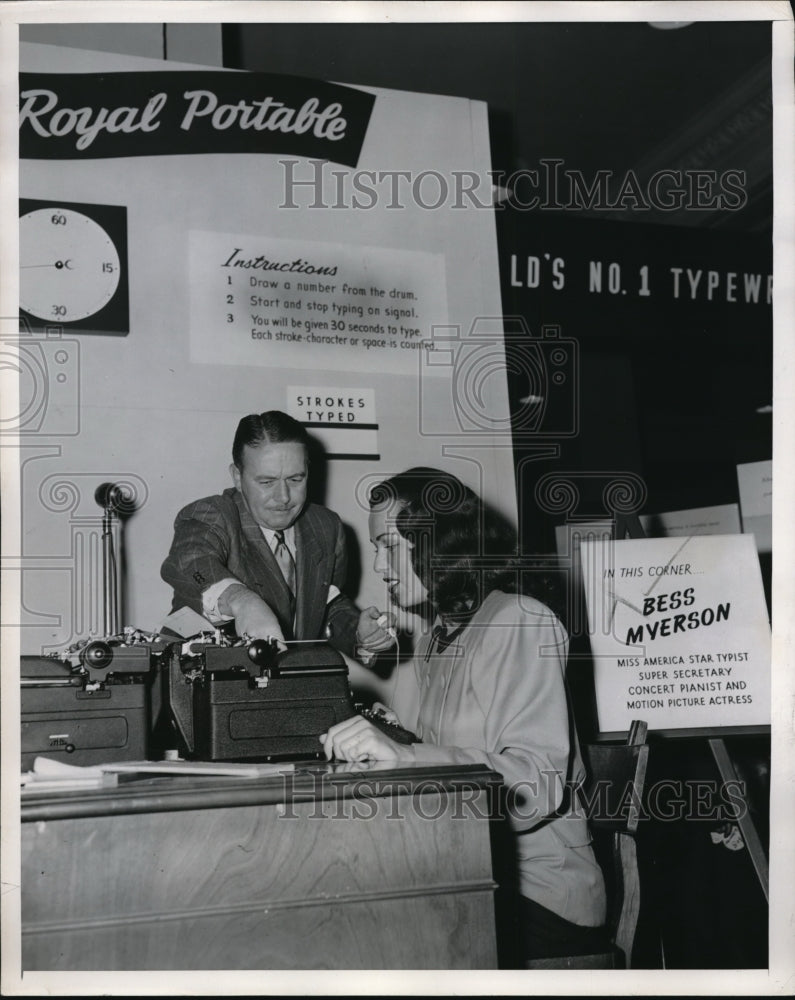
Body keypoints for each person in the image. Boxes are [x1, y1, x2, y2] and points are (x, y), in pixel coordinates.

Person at [320, 467, 607, 964]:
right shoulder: (438, 636)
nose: (380, 566)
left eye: (389, 545)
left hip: (540, 893)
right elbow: (454, 756)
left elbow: (535, 784)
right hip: (473, 872)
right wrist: (395, 738)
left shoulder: (520, 619)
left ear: (438, 541)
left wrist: (407, 757)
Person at [160, 411, 394, 659]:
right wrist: (241, 600)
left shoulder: (326, 526)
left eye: (295, 479)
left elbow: (325, 604)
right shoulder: (212, 514)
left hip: (289, 677)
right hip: (197, 674)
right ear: (237, 477)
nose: (283, 497)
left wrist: (359, 632)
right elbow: (192, 561)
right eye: (266, 482)